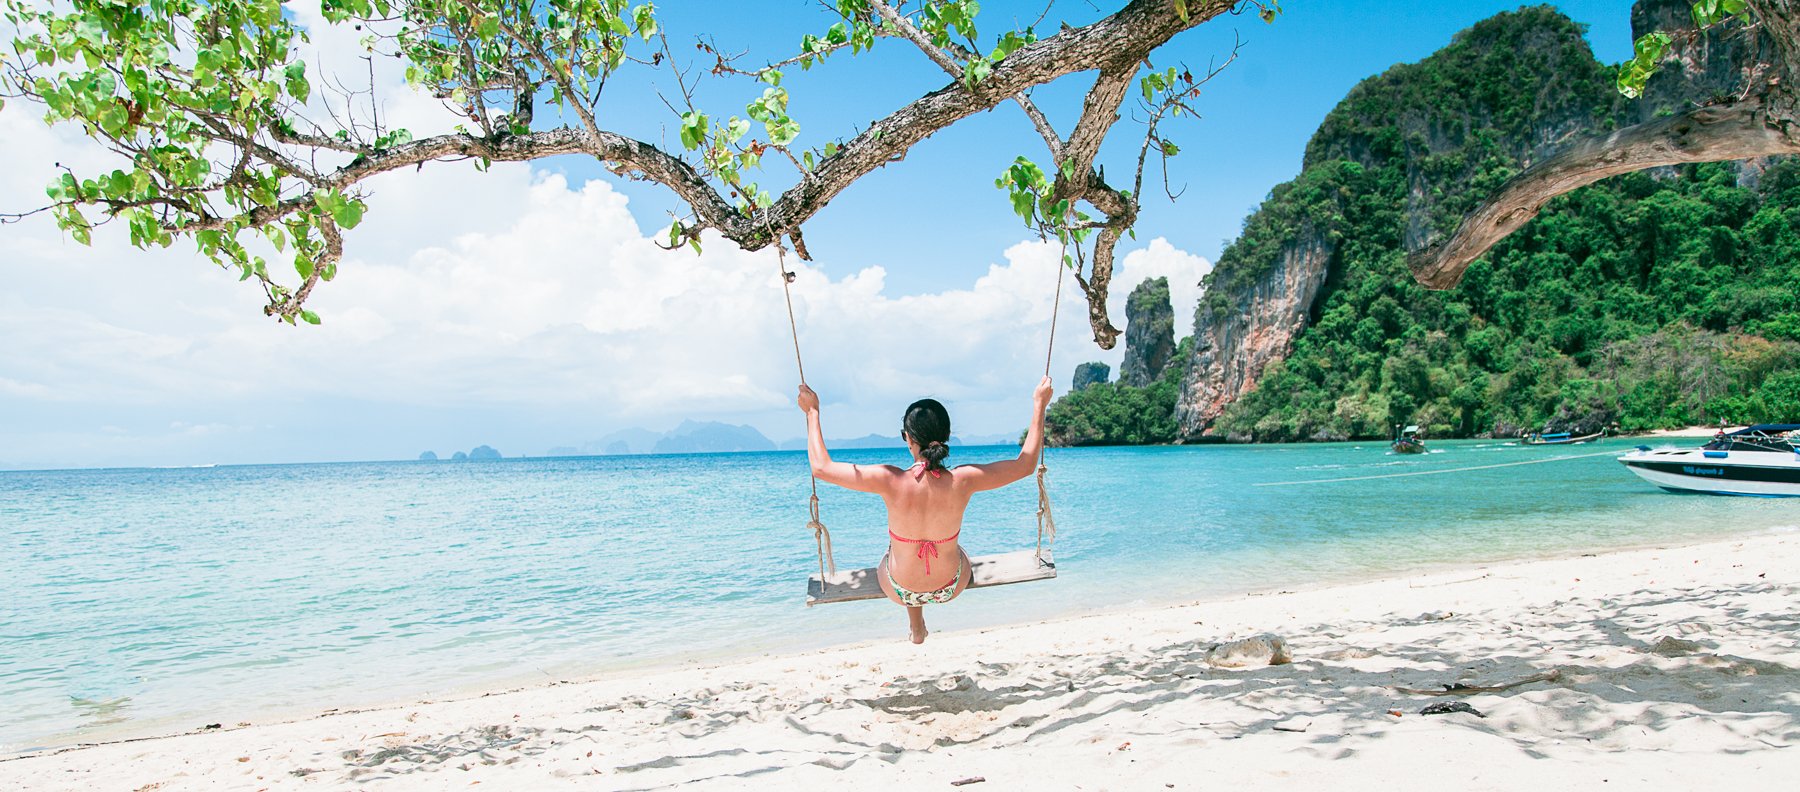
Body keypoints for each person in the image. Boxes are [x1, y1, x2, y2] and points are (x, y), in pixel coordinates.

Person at [796, 377, 1054, 644]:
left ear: (907, 438)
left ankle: (916, 626)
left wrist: (813, 412)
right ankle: (918, 622)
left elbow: (821, 467)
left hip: (900, 590)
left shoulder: (890, 480)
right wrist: (1039, 405)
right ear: (947, 437)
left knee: (896, 549)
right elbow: (1024, 465)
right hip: (952, 586)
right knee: (950, 546)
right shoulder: (964, 479)